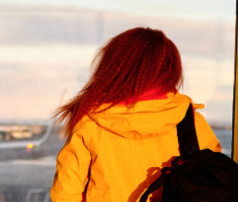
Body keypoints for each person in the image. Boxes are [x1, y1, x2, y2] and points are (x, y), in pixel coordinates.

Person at [50, 27, 223, 202]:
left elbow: (65, 193)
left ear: (113, 66)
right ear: (171, 69)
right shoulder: (190, 122)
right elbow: (216, 184)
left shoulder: (91, 122)